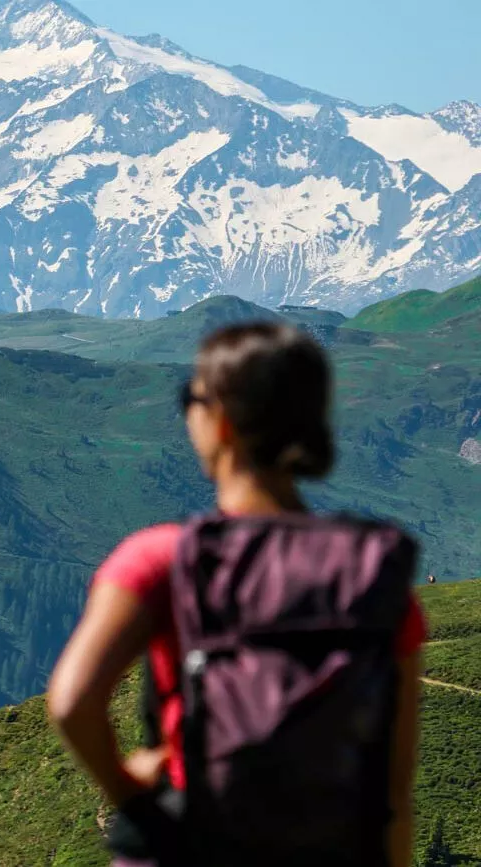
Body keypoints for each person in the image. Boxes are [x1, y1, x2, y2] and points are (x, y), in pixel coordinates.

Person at [48, 322, 425, 867]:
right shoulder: (376, 576)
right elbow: (393, 793)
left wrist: (129, 790)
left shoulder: (162, 559)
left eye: (191, 396)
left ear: (220, 419)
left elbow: (71, 702)